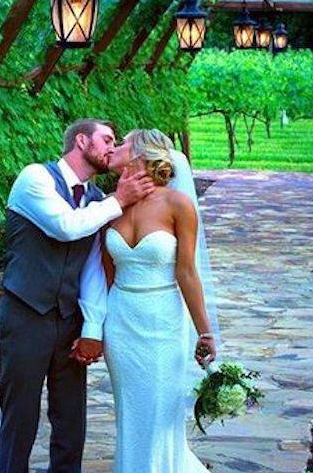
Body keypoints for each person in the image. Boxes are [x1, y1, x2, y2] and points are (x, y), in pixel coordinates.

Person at [0, 119, 155, 473]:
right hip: (25, 315)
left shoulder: (98, 200)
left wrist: (92, 329)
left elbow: (93, 270)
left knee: (71, 423)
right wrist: (119, 200)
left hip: (70, 320)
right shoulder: (34, 178)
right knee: (19, 417)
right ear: (81, 141)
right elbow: (66, 226)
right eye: (107, 140)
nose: (112, 148)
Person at [84, 129, 219, 471]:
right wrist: (98, 326)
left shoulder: (177, 204)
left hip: (162, 322)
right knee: (130, 413)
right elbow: (107, 272)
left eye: (121, 142)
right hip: (121, 321)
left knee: (161, 414)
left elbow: (187, 272)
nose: (112, 147)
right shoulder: (110, 205)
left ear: (140, 153)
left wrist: (205, 332)